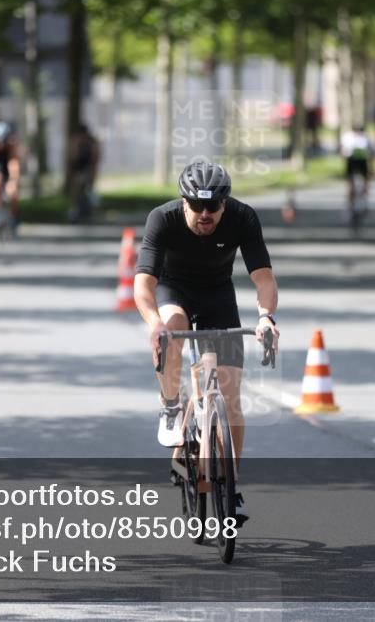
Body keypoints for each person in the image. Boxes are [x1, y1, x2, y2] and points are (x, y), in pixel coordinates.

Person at [133, 160, 280, 524]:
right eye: (196, 206)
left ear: (224, 204)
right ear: (184, 202)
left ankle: (231, 485)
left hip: (217, 296)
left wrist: (265, 318)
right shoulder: (162, 219)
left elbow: (263, 276)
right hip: (173, 288)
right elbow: (143, 284)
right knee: (173, 327)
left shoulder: (243, 218)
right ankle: (171, 405)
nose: (204, 214)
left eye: (212, 207)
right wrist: (154, 324)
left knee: (230, 400)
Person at [339, 125, 374, 222]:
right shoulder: (350, 137)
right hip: (354, 161)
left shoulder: (364, 137)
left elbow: (370, 153)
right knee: (352, 184)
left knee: (363, 182)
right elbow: (343, 151)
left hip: (359, 161)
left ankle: (362, 202)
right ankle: (353, 205)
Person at [66, 123, 100, 222]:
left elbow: (94, 158)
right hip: (78, 169)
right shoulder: (75, 141)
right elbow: (72, 158)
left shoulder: (91, 142)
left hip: (87, 169)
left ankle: (84, 209)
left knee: (84, 187)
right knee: (77, 188)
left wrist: (92, 172)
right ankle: (77, 209)